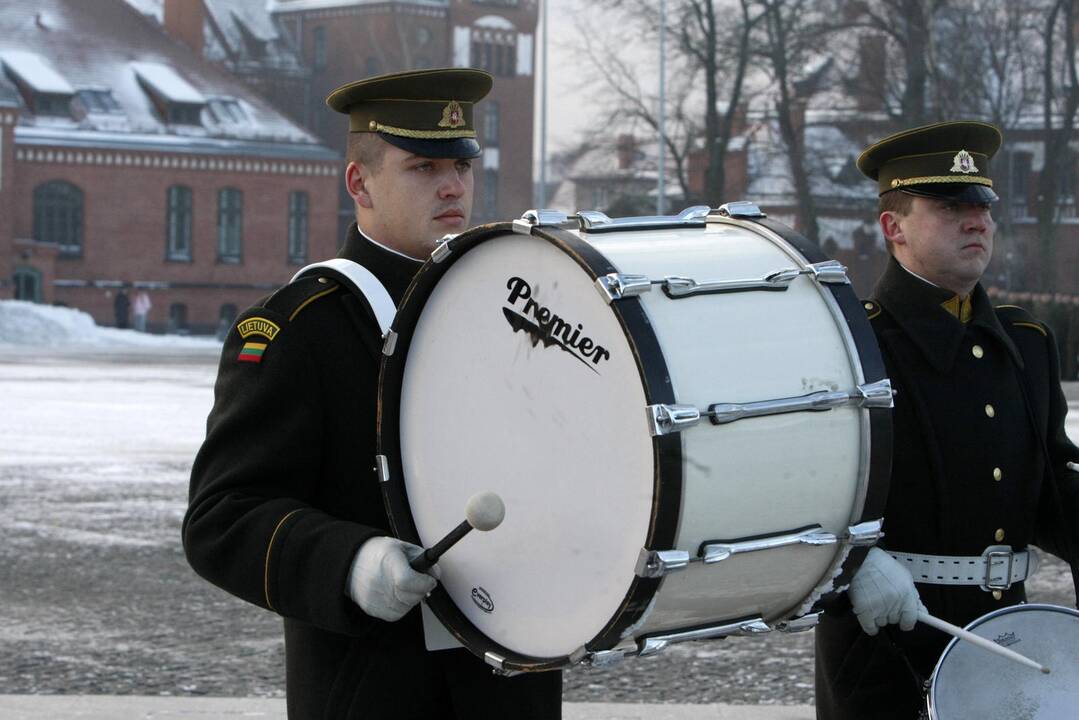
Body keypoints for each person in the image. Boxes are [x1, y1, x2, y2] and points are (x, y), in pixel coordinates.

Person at [183, 68, 562, 719]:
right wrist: (349, 562)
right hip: (374, 687)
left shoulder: (514, 308)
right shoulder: (301, 327)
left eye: (462, 167)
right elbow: (222, 517)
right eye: (422, 167)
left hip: (511, 684)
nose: (452, 186)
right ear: (359, 183)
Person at [814, 120, 1079, 719]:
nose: (976, 220)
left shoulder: (1024, 342)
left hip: (1008, 635)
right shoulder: (849, 344)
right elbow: (795, 486)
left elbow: (1051, 491)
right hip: (883, 643)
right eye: (949, 206)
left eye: (983, 205)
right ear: (893, 226)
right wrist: (851, 561)